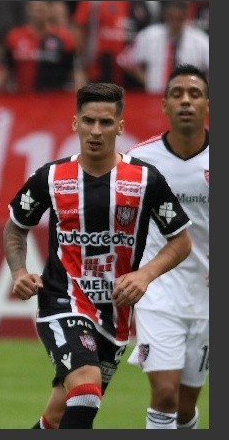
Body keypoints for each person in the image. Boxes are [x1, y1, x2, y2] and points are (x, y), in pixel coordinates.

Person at [3, 82, 192, 429]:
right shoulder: (51, 176)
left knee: (58, 417)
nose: (96, 131)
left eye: (105, 123)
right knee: (87, 389)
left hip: (115, 315)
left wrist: (144, 275)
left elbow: (180, 241)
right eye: (88, 121)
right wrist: (18, 271)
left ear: (120, 127)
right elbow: (16, 227)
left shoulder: (145, 180)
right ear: (75, 123)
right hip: (63, 300)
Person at [124, 63, 209, 429]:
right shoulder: (141, 162)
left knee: (186, 406)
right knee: (164, 394)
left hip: (206, 294)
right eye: (177, 94)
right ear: (164, 106)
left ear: (208, 103)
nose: (185, 101)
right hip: (157, 289)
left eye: (194, 94)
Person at [117, 1, 209, 94]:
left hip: (187, 97)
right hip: (156, 95)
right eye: (171, 17)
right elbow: (124, 59)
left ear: (185, 16)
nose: (175, 22)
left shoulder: (200, 40)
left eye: (179, 18)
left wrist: (200, 87)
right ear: (165, 16)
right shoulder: (149, 36)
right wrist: (146, 80)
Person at [3, 0, 77, 93]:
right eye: (35, 9)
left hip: (54, 99)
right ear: (28, 9)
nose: (38, 14)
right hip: (23, 98)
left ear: (50, 10)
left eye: (42, 9)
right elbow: (5, 71)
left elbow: (76, 71)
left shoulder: (65, 38)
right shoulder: (14, 37)